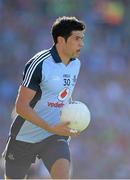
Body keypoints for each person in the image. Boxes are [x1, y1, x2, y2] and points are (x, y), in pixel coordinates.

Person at [2, 16, 86, 179]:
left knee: (63, 175)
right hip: (24, 136)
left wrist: (73, 114)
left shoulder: (76, 64)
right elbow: (21, 107)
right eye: (77, 39)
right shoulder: (39, 63)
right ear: (61, 40)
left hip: (54, 136)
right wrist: (50, 126)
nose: (81, 44)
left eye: (82, 39)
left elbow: (61, 95)